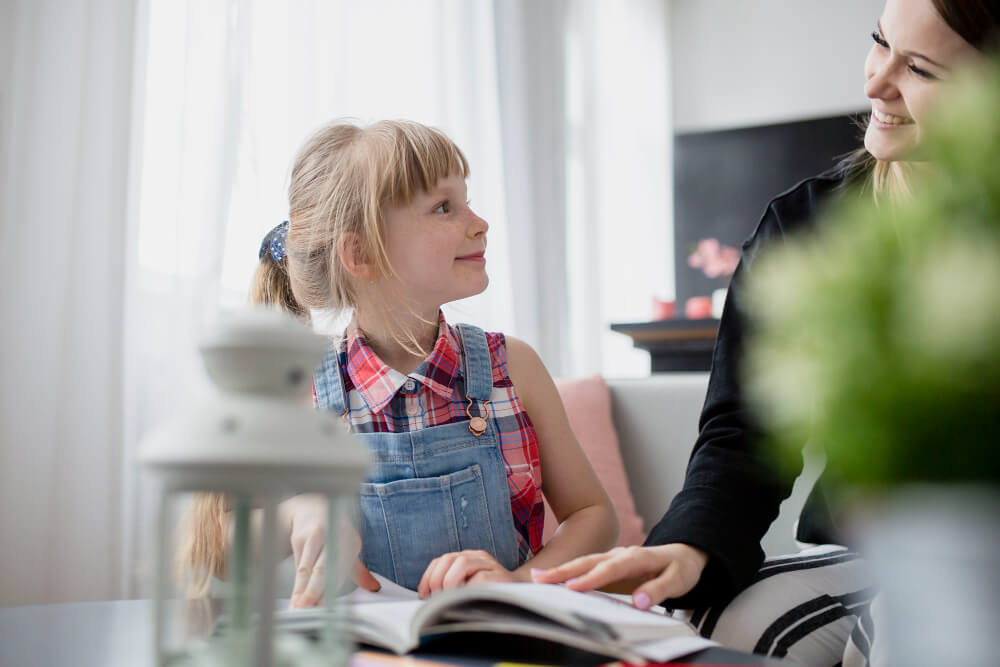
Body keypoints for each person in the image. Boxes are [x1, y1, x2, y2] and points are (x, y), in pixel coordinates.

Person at [533, 1, 1000, 665]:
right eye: (879, 43)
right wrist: (686, 545)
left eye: (920, 68)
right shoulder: (803, 225)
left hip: (974, 555)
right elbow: (744, 434)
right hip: (854, 549)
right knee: (731, 625)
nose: (875, 82)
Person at [176, 120, 618, 605]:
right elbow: (214, 549)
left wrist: (519, 584)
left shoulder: (514, 367)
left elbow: (594, 514)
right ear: (362, 254)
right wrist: (295, 512)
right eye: (444, 207)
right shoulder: (299, 390)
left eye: (465, 200)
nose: (479, 222)